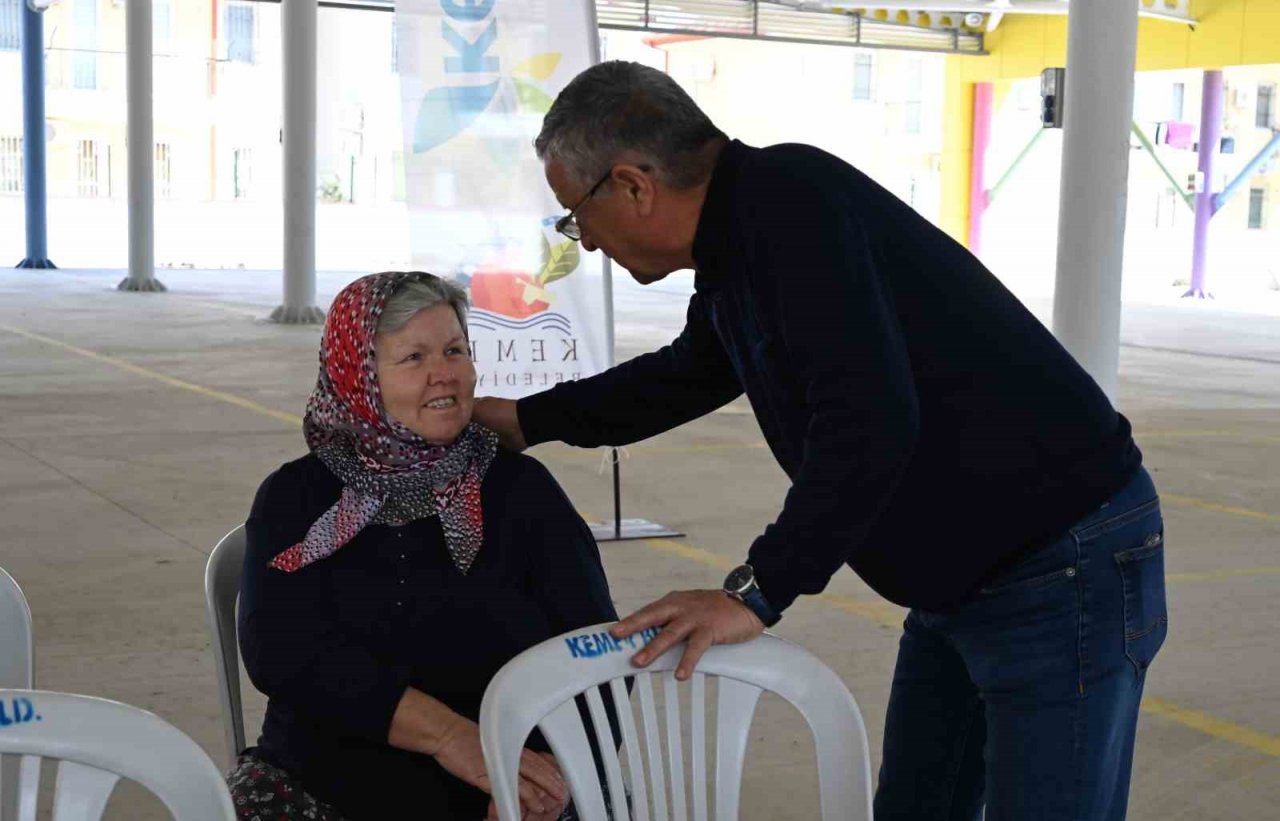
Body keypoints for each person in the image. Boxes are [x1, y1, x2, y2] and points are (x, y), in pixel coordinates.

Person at [474, 61, 1168, 820]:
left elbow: (868, 419)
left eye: (575, 216)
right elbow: (686, 375)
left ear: (634, 186)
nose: (588, 243)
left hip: (1057, 565)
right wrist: (527, 420)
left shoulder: (790, 207)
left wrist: (759, 589)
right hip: (958, 582)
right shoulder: (742, 242)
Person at [230, 272, 618, 821]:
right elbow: (281, 651)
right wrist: (451, 738)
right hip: (325, 789)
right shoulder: (296, 496)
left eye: (455, 350)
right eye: (413, 358)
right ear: (358, 376)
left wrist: (554, 779)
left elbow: (597, 653)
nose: (445, 373)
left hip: (509, 787)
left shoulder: (520, 491)